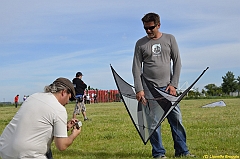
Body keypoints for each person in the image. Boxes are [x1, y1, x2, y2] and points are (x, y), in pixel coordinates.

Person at [132, 12, 195, 158]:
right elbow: (136, 67)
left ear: (158, 25)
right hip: (149, 89)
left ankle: (182, 151)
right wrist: (139, 89)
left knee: (176, 119)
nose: (148, 31)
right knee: (154, 123)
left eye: (151, 28)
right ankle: (159, 153)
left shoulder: (170, 39)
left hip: (168, 89)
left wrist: (174, 84)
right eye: (145, 28)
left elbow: (177, 62)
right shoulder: (140, 44)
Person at [0, 77, 81, 159]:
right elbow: (61, 145)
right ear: (63, 92)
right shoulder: (59, 109)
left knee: (48, 152)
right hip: (25, 154)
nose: (68, 102)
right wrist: (74, 134)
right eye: (69, 97)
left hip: (5, 148)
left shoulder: (34, 96)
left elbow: (37, 126)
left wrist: (64, 127)